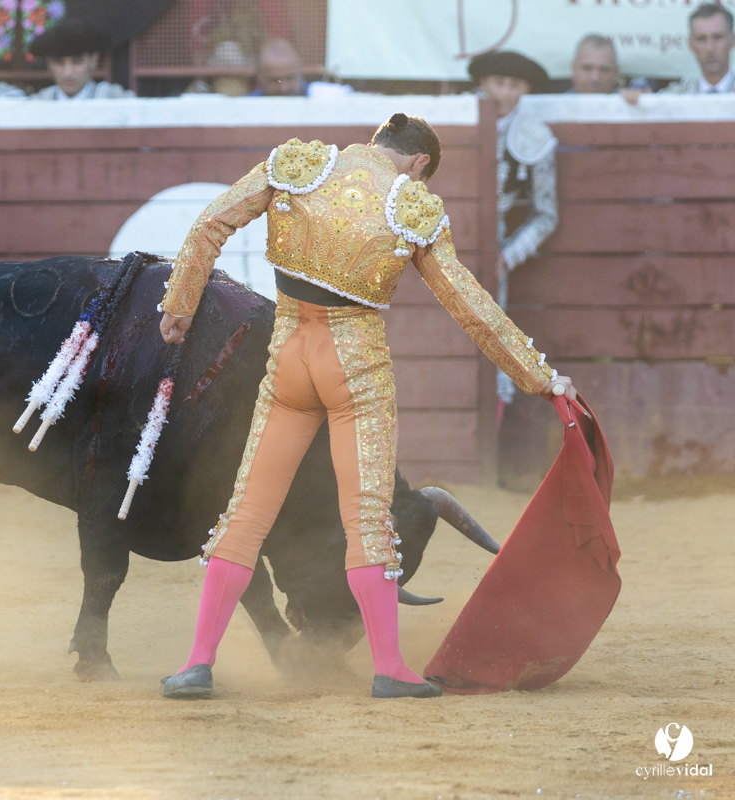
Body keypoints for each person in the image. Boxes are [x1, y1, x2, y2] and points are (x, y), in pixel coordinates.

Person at [156, 115, 575, 700]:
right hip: (353, 367)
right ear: (419, 162)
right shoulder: (410, 204)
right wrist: (542, 378)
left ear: (376, 143)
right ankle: (390, 668)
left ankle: (197, 664)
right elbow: (471, 306)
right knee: (368, 519)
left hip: (289, 357)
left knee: (246, 514)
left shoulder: (299, 165)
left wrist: (179, 305)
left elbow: (210, 224)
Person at [468, 51, 558, 409]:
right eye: (498, 83)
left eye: (515, 85)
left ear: (526, 89)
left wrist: (506, 256)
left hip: (495, 240)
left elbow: (546, 215)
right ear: (483, 83)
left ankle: (495, 409)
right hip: (443, 234)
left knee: (492, 332)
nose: (505, 93)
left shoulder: (534, 134)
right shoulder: (456, 119)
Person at [28, 19, 134, 100]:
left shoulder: (115, 99)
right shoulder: (38, 103)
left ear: (93, 61)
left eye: (77, 62)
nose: (68, 73)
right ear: (50, 64)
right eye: (59, 63)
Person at [663, 3, 735, 94]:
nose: (709, 48)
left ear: (732, 40)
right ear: (691, 44)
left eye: (718, 37)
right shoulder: (675, 95)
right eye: (701, 39)